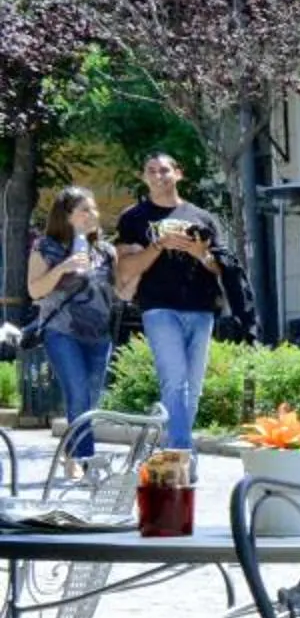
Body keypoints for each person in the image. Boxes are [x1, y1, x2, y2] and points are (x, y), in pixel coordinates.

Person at [112, 152, 224, 450]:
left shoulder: (202, 218)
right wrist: (159, 246)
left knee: (194, 388)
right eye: (151, 171)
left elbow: (222, 268)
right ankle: (182, 454)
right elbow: (124, 270)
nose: (158, 176)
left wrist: (200, 253)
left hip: (201, 307)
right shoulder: (133, 218)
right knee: (174, 381)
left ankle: (175, 451)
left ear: (178, 174)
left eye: (164, 170)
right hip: (159, 307)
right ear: (144, 177)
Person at [25, 186, 116, 457]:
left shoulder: (105, 251)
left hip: (99, 335)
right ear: (66, 216)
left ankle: (71, 454)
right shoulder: (46, 247)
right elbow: (35, 290)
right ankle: (85, 460)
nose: (92, 215)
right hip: (62, 331)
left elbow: (120, 291)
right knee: (78, 395)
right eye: (84, 210)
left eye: (93, 209)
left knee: (90, 399)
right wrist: (63, 268)